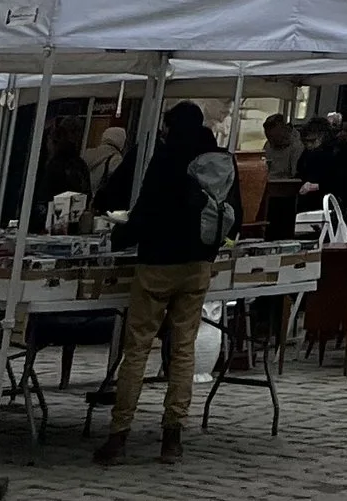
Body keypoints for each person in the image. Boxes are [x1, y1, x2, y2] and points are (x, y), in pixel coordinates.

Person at [91, 99, 236, 465]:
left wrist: (119, 237)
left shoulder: (166, 158)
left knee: (138, 347)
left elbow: (146, 210)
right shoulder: (218, 161)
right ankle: (173, 436)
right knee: (183, 349)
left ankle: (119, 434)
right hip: (198, 264)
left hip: (157, 263)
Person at [35, 110, 94, 225]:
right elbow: (85, 192)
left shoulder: (52, 160)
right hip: (66, 216)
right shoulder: (75, 164)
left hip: (51, 214)